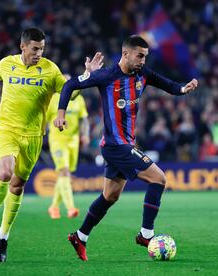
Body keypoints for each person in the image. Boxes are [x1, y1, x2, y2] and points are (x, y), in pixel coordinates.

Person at [0, 27, 103, 262]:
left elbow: (70, 93)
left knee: (17, 186)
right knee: (5, 172)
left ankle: (4, 235)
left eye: (42, 48)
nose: (39, 52)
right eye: (35, 48)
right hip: (6, 129)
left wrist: (87, 75)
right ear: (23, 46)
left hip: (33, 136)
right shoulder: (7, 64)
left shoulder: (50, 70)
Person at [54, 35, 198, 261]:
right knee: (158, 179)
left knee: (110, 196)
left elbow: (167, 84)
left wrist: (182, 89)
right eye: (139, 56)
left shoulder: (143, 74)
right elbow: (70, 84)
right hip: (115, 146)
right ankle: (146, 234)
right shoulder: (107, 76)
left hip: (123, 144)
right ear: (125, 54)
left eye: (145, 56)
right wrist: (61, 112)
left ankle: (80, 236)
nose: (142, 60)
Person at [46, 90, 90, 219]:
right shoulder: (53, 98)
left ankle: (53, 206)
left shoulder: (79, 99)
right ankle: (71, 208)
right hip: (57, 140)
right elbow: (44, 118)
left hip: (73, 141)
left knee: (65, 174)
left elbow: (84, 119)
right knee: (64, 172)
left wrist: (85, 135)